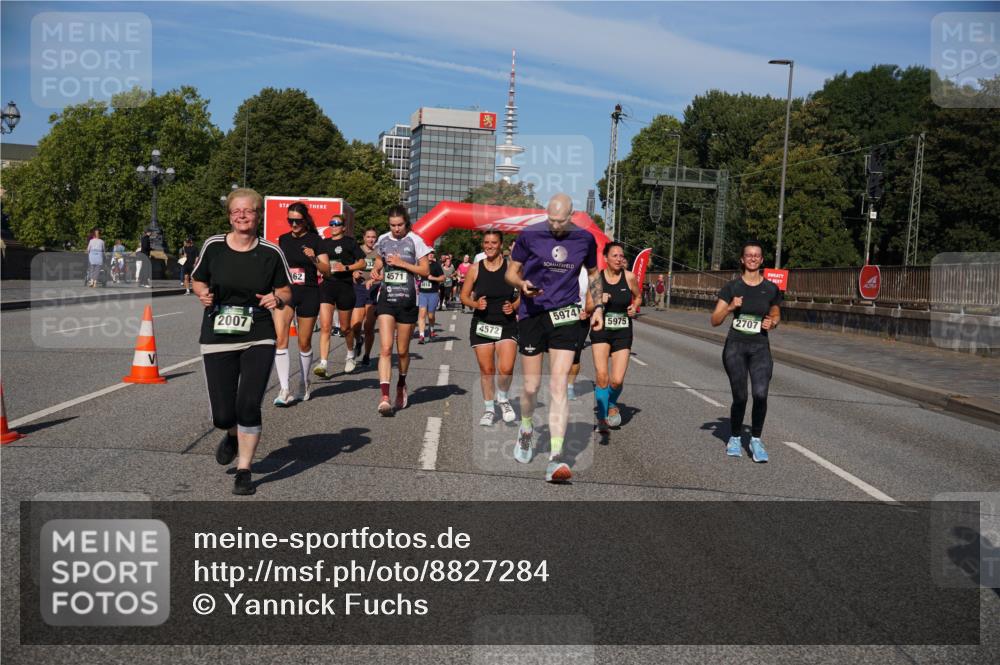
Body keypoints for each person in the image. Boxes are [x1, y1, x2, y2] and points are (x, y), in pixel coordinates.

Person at [191, 188, 292, 495]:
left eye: (248, 211)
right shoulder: (214, 246)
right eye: (237, 211)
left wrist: (276, 298)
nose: (242, 216)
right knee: (223, 414)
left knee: (248, 403)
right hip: (218, 332)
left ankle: (245, 469)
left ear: (258, 215)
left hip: (258, 333)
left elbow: (287, 291)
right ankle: (232, 434)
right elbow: (198, 278)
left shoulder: (271, 252)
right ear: (230, 216)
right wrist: (201, 293)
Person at [505, 193, 601, 483]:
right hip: (533, 312)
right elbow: (511, 271)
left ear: (572, 216)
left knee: (559, 384)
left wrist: (597, 307)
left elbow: (595, 274)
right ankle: (526, 428)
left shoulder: (585, 239)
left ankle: (556, 457)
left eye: (560, 221)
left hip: (566, 315)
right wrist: (522, 284)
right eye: (551, 219)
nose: (555, 226)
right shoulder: (530, 234)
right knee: (532, 386)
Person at [710, 240, 782, 463]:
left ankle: (756, 439)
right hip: (736, 346)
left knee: (760, 394)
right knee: (740, 396)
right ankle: (734, 436)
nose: (752, 258)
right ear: (742, 259)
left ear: (761, 260)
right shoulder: (732, 288)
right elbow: (715, 320)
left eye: (756, 255)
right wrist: (731, 306)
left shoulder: (771, 288)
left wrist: (773, 322)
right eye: (748, 255)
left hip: (760, 347)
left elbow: (776, 313)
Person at [370, 205, 432, 415]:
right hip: (387, 299)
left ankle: (401, 383)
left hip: (408, 301)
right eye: (392, 225)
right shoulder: (383, 239)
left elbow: (425, 270)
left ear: (406, 223)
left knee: (402, 351)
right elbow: (378, 259)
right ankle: (385, 397)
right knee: (386, 348)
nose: (396, 229)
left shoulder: (416, 241)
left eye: (400, 225)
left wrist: (402, 264)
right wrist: (376, 270)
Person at [461, 229, 519, 426]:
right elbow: (464, 296)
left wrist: (514, 306)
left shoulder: (512, 267)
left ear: (501, 245)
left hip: (506, 323)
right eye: (486, 242)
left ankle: (503, 399)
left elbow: (525, 293)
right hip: (483, 324)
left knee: (506, 368)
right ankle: (488, 409)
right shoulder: (475, 268)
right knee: (487, 370)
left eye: (494, 242)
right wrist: (476, 305)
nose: (490, 246)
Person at [274, 203, 329, 406]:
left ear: (305, 220)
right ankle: (284, 389)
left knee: (304, 342)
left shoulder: (315, 240)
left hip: (309, 292)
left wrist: (313, 258)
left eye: (298, 220)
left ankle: (304, 383)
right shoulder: (284, 239)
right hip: (286, 292)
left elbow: (327, 270)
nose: (294, 224)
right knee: (281, 338)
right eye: (291, 220)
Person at [588, 242, 642, 434]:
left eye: (621, 256)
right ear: (605, 258)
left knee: (617, 380)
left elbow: (637, 297)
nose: (619, 259)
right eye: (615, 256)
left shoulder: (629, 277)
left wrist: (634, 307)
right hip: (600, 330)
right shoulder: (596, 279)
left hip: (622, 332)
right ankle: (602, 417)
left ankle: (611, 402)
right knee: (602, 376)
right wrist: (597, 300)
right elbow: (586, 308)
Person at [314, 216, 366, 377]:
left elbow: (362, 263)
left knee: (345, 328)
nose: (334, 226)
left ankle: (350, 355)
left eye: (337, 224)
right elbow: (321, 263)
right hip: (327, 286)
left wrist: (346, 267)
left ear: (343, 227)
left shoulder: (350, 242)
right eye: (331, 224)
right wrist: (319, 268)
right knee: (325, 327)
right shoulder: (323, 243)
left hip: (345, 287)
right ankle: (323, 363)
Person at [350, 228, 380, 367]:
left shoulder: (379, 252)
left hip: (373, 288)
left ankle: (367, 355)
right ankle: (358, 340)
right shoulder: (357, 250)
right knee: (355, 325)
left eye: (373, 237)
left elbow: (383, 271)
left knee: (369, 326)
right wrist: (354, 273)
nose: (371, 239)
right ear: (364, 237)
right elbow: (349, 267)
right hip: (358, 288)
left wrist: (375, 279)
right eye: (368, 237)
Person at [566, 268, 589, 401]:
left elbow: (592, 297)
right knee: (562, 353)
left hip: (582, 319)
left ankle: (570, 387)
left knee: (575, 354)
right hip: (562, 318)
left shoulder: (588, 272)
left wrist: (589, 311)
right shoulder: (562, 267)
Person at [417, 250, 445, 343]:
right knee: (422, 313)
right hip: (422, 293)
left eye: (432, 254)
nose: (431, 255)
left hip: (433, 293)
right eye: (429, 254)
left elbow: (442, 278)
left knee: (431, 315)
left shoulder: (436, 265)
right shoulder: (420, 264)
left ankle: (431, 330)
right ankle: (421, 336)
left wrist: (433, 278)